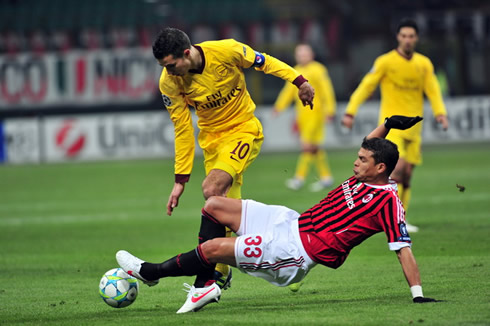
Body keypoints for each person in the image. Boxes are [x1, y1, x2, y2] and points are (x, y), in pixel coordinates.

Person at [116, 115, 440, 314]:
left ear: (379, 168)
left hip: (293, 252)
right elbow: (372, 144)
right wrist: (388, 124)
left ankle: (151, 272)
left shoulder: (387, 202)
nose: (355, 162)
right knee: (213, 203)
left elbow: (403, 248)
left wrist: (418, 296)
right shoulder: (366, 175)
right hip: (289, 221)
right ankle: (206, 284)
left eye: (362, 159)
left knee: (213, 250)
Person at [153, 27, 315, 288]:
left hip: (243, 130)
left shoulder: (226, 51)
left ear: (186, 53)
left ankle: (204, 279)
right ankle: (252, 264)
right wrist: (180, 179)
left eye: (171, 65)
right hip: (212, 143)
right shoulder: (169, 82)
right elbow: (182, 128)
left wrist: (300, 81)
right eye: (164, 67)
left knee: (212, 188)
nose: (169, 72)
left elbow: (266, 62)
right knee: (222, 207)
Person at [341, 19, 449, 233]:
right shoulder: (385, 61)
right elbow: (366, 86)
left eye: (411, 36)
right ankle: (389, 217)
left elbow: (433, 90)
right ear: (398, 37)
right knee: (397, 170)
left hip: (414, 128)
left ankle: (402, 218)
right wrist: (350, 111)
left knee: (407, 175)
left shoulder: (423, 64)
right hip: (393, 129)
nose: (407, 40)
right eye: (403, 36)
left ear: (416, 38)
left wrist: (440, 113)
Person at [273, 44, 337, 192]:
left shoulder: (318, 69)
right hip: (302, 114)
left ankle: (299, 179)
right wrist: (279, 106)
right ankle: (326, 177)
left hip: (315, 112)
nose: (302, 57)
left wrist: (330, 110)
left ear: (312, 54)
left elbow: (327, 90)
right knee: (314, 148)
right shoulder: (296, 71)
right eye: (300, 54)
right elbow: (288, 91)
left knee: (307, 146)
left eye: (305, 53)